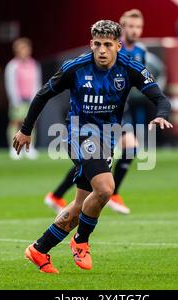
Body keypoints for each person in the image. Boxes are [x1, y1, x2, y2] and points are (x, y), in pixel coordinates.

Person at [12, 20, 172, 273]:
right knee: (106, 188)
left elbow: (159, 97)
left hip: (107, 140)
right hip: (79, 136)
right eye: (97, 44)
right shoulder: (75, 67)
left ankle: (39, 249)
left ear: (118, 46)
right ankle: (81, 242)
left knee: (81, 206)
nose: (102, 50)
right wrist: (25, 129)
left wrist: (161, 114)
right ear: (91, 44)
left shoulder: (130, 68)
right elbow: (43, 94)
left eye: (108, 45)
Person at [44, 9, 149, 215]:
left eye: (138, 27)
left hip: (119, 110)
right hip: (97, 114)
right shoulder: (108, 48)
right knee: (96, 158)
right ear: (122, 27)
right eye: (130, 26)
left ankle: (58, 195)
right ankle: (111, 192)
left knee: (109, 155)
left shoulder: (140, 52)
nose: (134, 31)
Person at [5, 38, 42, 160]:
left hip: (31, 99)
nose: (25, 51)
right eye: (22, 49)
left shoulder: (34, 64)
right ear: (17, 50)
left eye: (27, 48)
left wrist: (36, 99)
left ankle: (29, 148)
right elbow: (10, 84)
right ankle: (14, 148)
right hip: (18, 99)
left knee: (31, 123)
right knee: (16, 122)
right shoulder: (12, 65)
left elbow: (36, 82)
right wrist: (14, 99)